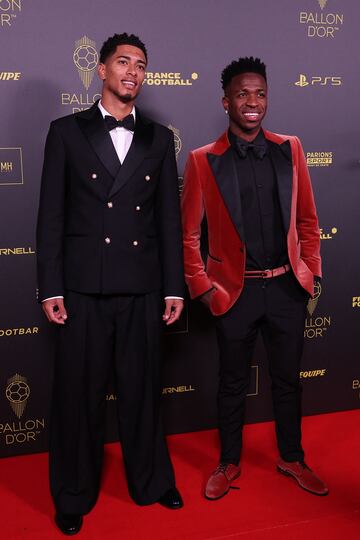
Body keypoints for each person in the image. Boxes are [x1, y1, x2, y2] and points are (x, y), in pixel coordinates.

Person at [37, 33, 184, 535]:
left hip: (143, 288)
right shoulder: (66, 132)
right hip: (82, 288)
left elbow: (168, 220)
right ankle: (73, 494)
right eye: (123, 62)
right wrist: (51, 287)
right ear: (101, 69)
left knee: (144, 392)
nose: (133, 72)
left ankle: (151, 480)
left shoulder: (160, 139)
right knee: (79, 395)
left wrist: (173, 287)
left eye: (141, 65)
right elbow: (50, 218)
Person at [181, 57, 328, 500]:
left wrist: (311, 271)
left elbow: (307, 220)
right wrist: (203, 289)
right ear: (226, 100)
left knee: (288, 379)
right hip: (234, 291)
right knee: (231, 381)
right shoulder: (202, 161)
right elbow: (188, 233)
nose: (252, 102)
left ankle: (292, 456)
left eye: (260, 94)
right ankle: (228, 462)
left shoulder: (292, 148)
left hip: (286, 287)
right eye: (243, 94)